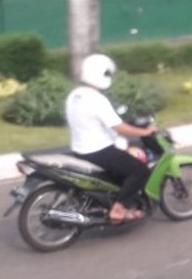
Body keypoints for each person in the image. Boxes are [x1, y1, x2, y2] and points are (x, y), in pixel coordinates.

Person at [66, 54, 158, 224]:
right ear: (100, 74)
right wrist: (144, 133)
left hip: (79, 149)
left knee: (122, 168)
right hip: (98, 150)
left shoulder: (75, 95)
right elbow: (120, 128)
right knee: (140, 171)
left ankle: (114, 201)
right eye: (107, 74)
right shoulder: (97, 99)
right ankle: (119, 209)